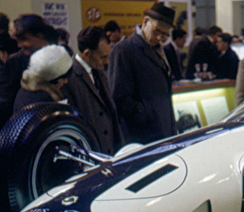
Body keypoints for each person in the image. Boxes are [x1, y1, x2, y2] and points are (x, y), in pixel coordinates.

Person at [108, 2, 177, 144]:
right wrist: (147, 115)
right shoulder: (124, 50)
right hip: (142, 136)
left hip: (163, 133)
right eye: (157, 31)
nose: (160, 38)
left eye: (165, 35)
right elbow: (119, 97)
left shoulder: (162, 51)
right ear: (145, 21)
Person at [62, 26, 124, 155]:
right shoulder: (69, 77)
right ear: (87, 53)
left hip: (111, 151)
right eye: (102, 57)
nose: (107, 62)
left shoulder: (100, 72)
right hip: (91, 151)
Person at [0, 14, 56, 109]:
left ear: (40, 36)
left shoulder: (60, 55)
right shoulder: (15, 62)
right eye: (18, 41)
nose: (19, 45)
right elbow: (7, 99)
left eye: (24, 39)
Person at [12, 45, 73, 112]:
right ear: (52, 79)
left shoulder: (27, 91)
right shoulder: (41, 101)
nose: (66, 81)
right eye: (63, 78)